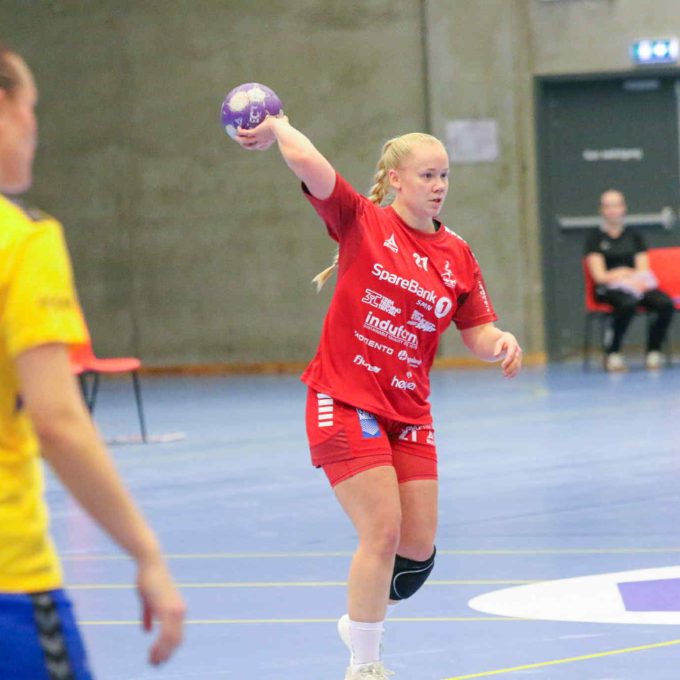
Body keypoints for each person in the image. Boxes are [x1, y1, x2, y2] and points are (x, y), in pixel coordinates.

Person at [235, 112, 522, 679]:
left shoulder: (457, 253)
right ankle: (365, 663)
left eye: (444, 176)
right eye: (427, 176)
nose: (438, 186)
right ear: (395, 180)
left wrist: (501, 343)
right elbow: (309, 164)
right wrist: (280, 125)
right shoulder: (361, 222)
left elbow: (477, 331)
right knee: (382, 531)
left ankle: (361, 615)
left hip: (408, 411)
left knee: (416, 552)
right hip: (345, 399)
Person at [0, 44, 185, 678]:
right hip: (10, 584)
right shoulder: (22, 241)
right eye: (31, 107)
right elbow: (57, 420)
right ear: (7, 108)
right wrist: (147, 552)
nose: (34, 126)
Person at [585, 189, 674, 372]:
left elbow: (643, 268)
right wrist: (621, 273)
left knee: (664, 303)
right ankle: (613, 352)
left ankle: (653, 351)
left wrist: (631, 278)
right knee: (627, 303)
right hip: (608, 290)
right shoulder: (595, 239)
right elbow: (600, 275)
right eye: (608, 206)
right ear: (602, 210)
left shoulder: (635, 236)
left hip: (636, 285)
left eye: (616, 205)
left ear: (623, 208)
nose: (613, 210)